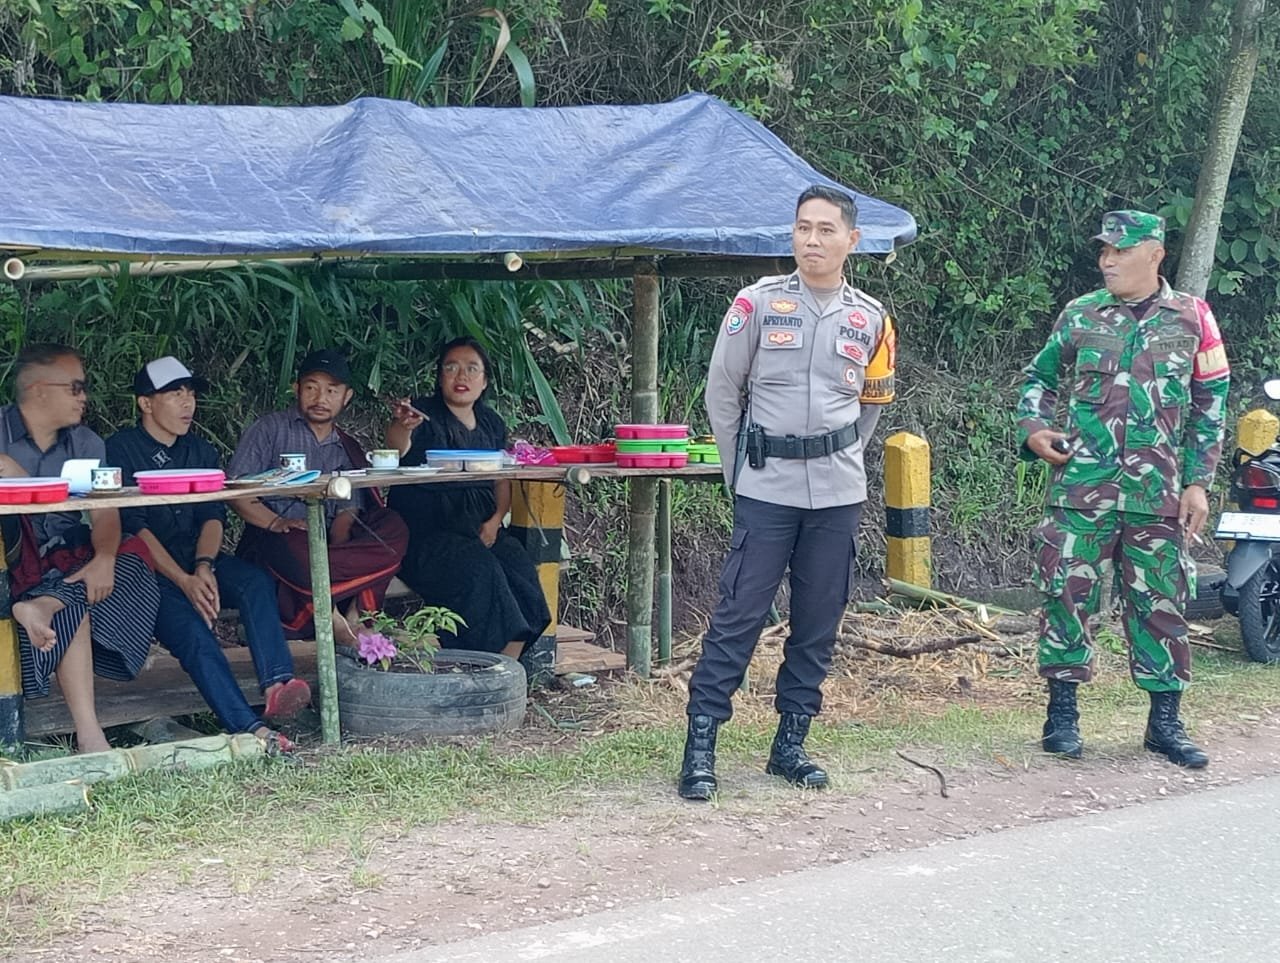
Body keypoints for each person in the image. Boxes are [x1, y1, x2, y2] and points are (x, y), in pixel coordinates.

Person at [678, 185, 898, 800]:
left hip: (837, 491)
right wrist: (737, 473)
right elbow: (722, 393)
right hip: (766, 484)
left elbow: (871, 406)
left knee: (818, 619)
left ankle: (790, 745)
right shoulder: (756, 303)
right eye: (803, 228)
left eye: (826, 230)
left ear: (852, 240)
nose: (812, 240)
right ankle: (701, 749)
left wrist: (840, 457)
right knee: (739, 614)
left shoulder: (872, 318)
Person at [1017, 210, 1230, 769]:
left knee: (1162, 602)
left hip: (1158, 492)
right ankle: (1061, 716)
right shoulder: (1081, 314)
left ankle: (1165, 724)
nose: (1107, 260)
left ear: (1155, 254)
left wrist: (1198, 482)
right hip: (1081, 489)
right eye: (1104, 250)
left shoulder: (1194, 317)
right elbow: (1039, 378)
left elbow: (1211, 403)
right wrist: (1034, 430)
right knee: (1066, 597)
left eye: (1120, 250)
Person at [107, 356, 311, 749]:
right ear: (145, 403)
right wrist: (183, 580)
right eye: (175, 394)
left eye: (191, 394)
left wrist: (203, 566)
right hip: (146, 570)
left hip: (196, 556)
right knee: (193, 634)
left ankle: (277, 683)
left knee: (254, 581)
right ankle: (249, 728)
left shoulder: (201, 450)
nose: (188, 403)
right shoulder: (120, 448)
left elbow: (213, 516)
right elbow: (133, 527)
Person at [0, 343, 160, 753]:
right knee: (77, 601)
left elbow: (106, 514)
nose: (83, 397)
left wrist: (104, 558)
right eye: (74, 387)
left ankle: (45, 605)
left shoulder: (87, 443)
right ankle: (90, 735)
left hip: (69, 561)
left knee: (132, 558)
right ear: (39, 390)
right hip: (13, 561)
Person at [385, 336, 550, 659]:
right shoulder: (421, 413)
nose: (462, 376)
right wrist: (402, 425)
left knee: (519, 567)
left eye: (472, 368)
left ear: (484, 380)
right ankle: (478, 666)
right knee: (480, 572)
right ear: (439, 376)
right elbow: (396, 446)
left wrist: (495, 520)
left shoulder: (492, 423)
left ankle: (506, 668)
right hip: (429, 534)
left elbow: (500, 479)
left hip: (480, 527)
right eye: (452, 367)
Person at [228, 349, 409, 642]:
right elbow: (236, 490)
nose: (320, 398)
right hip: (278, 535)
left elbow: (348, 510)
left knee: (393, 528)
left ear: (346, 397)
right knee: (298, 549)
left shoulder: (346, 445)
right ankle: (334, 620)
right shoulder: (270, 430)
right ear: (297, 388)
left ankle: (357, 615)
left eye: (331, 390)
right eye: (311, 388)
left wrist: (340, 542)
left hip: (329, 543)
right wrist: (275, 522)